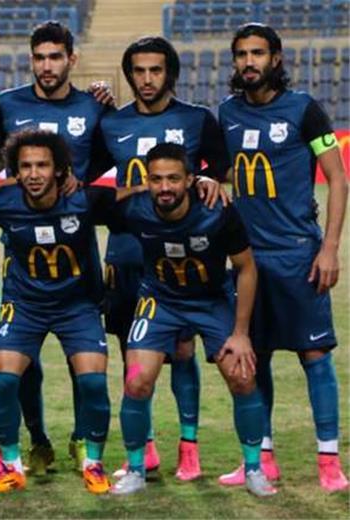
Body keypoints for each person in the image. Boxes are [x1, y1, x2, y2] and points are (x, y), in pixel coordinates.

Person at [217, 23, 348, 492]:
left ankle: (329, 462)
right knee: (255, 357)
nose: (248, 62)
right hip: (248, 262)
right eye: (241, 54)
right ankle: (262, 458)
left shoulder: (304, 109)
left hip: (297, 254)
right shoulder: (227, 113)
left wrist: (329, 248)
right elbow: (216, 170)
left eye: (257, 53)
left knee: (315, 355)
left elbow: (338, 179)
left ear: (276, 58)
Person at [0, 20, 115, 474]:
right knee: (22, 362)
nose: (46, 66)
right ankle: (37, 438)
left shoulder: (94, 108)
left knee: (85, 366)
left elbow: (104, 165)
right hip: (22, 253)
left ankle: (82, 439)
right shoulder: (6, 105)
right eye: (39, 57)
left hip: (78, 256)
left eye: (55, 57)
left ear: (71, 59)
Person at [108, 142, 275, 498]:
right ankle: (136, 470)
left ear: (189, 180)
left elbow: (246, 268)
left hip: (211, 300)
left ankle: (254, 469)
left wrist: (241, 333)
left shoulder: (217, 211)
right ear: (147, 181)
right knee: (136, 382)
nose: (164, 187)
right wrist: (135, 188)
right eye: (156, 179)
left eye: (173, 178)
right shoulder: (135, 209)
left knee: (243, 377)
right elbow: (92, 203)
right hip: (159, 300)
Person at [97, 36, 229, 480]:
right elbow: (87, 183)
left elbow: (222, 173)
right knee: (133, 354)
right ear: (129, 75)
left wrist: (209, 181)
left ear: (170, 73)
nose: (147, 79)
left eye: (155, 70)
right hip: (126, 254)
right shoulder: (112, 123)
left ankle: (189, 448)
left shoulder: (197, 119)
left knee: (183, 349)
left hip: (179, 259)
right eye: (139, 71)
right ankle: (146, 448)